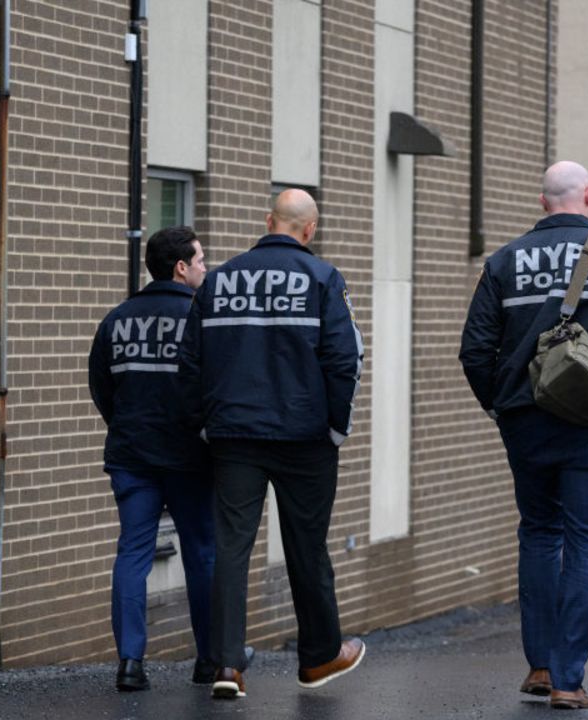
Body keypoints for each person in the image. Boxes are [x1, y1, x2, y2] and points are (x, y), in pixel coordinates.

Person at [459, 161, 588, 710]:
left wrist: (501, 406)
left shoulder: (504, 262)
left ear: (542, 200)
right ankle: (569, 680)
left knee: (538, 534)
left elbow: (475, 350)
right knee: (584, 545)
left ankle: (540, 664)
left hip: (526, 420)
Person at [179, 190, 366, 699]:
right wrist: (335, 428)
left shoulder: (217, 280)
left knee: (231, 548)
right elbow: (345, 359)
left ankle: (225, 665)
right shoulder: (323, 279)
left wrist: (204, 423)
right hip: (304, 437)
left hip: (234, 435)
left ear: (268, 222)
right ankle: (319, 657)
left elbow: (190, 361)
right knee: (307, 548)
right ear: (310, 230)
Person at [87, 226, 216, 691]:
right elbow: (214, 390)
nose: (206, 268)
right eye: (201, 261)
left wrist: (128, 429)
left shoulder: (117, 319)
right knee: (202, 555)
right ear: (181, 268)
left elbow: (103, 391)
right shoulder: (202, 320)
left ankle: (129, 663)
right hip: (190, 459)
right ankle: (209, 660)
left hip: (132, 456)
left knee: (132, 554)